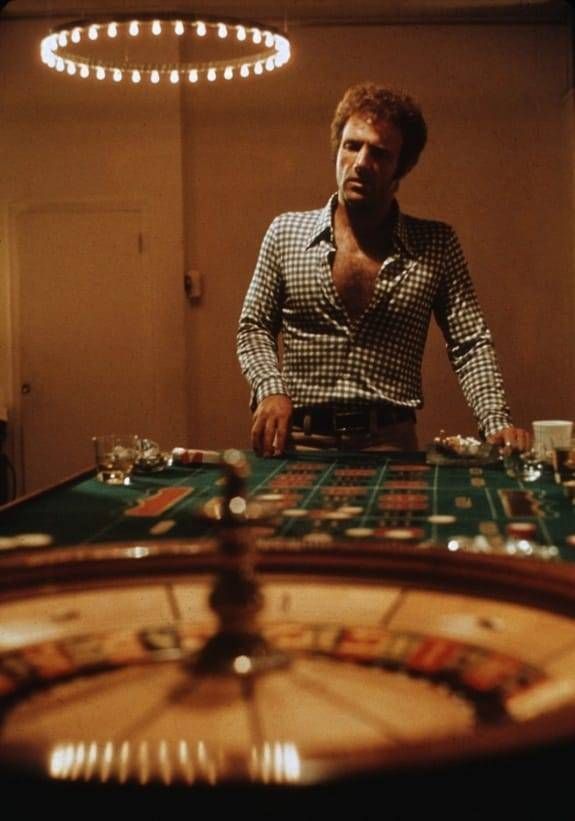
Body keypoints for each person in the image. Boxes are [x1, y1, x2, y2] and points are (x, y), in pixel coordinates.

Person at [237, 82, 530, 457]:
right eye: (352, 146)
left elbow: (469, 342)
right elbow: (254, 326)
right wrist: (269, 388)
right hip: (299, 441)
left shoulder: (435, 244)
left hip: (390, 443)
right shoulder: (285, 232)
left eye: (379, 153)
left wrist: (496, 422)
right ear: (336, 150)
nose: (360, 163)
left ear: (400, 168)